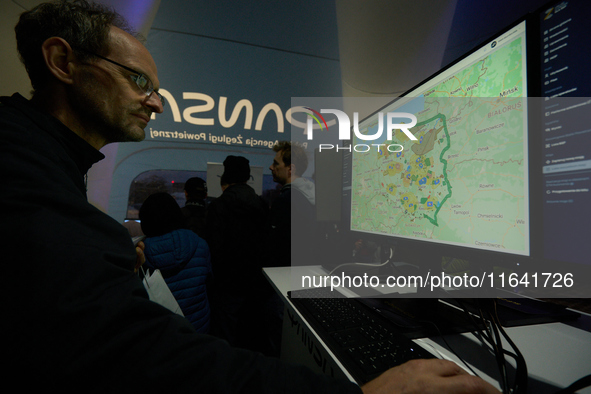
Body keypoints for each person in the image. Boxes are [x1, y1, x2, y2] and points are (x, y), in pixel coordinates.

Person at [0, 1, 500, 393]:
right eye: (138, 81)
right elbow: (132, 356)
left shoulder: (40, 161)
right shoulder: (22, 167)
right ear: (63, 60)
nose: (154, 102)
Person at [203, 155, 277, 354]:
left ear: (225, 177)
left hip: (227, 284)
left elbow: (213, 247)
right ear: (247, 177)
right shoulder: (261, 204)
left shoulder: (219, 206)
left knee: (225, 337)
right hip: (256, 284)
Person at [139, 192, 212, 333]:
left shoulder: (140, 253)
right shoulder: (200, 244)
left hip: (161, 333)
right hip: (198, 329)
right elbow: (209, 284)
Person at [267, 140, 319, 266]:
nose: (271, 167)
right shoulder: (312, 197)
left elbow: (277, 248)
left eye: (275, 163)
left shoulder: (286, 200)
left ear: (290, 169)